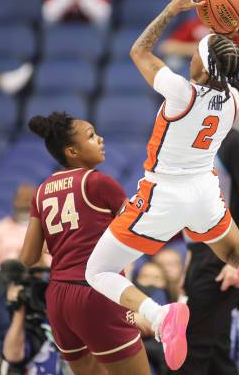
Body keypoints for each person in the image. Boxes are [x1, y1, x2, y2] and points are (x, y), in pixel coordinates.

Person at [84, 0, 239, 371]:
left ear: (203, 67)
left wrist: (173, 9)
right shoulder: (232, 104)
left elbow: (138, 51)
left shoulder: (181, 93)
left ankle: (160, 317)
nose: (190, 55)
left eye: (195, 53)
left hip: (163, 194)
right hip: (204, 193)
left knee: (97, 270)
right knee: (229, 251)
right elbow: (222, 59)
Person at [18, 111, 150, 375]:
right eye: (91, 136)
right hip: (96, 292)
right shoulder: (98, 182)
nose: (100, 139)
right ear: (72, 151)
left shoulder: (42, 190)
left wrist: (58, 243)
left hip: (58, 298)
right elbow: (138, 233)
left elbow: (28, 258)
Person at [179, 128, 239, 375]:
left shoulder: (234, 143)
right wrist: (189, 261)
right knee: (216, 348)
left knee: (189, 345)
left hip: (225, 254)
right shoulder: (189, 141)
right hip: (199, 253)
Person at [0, 183, 41, 272]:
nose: (25, 204)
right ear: (14, 201)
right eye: (21, 199)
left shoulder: (44, 231)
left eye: (29, 199)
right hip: (2, 280)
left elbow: (51, 262)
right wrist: (8, 272)